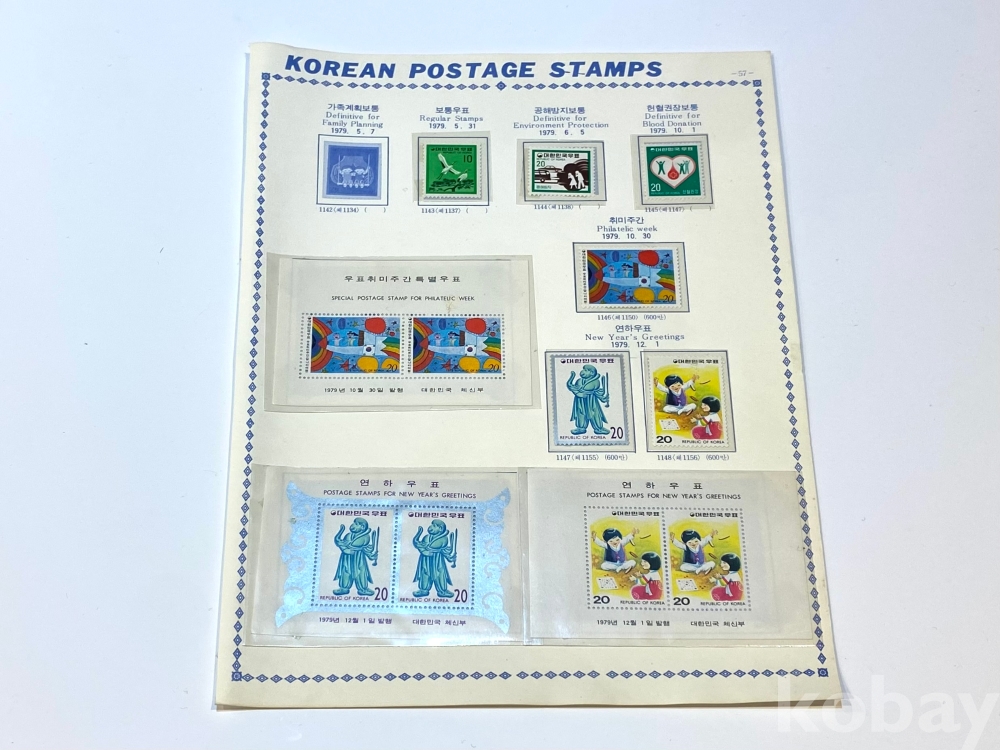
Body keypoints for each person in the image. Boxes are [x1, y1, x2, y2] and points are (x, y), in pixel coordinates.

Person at [332, 517, 379, 596]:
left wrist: (371, 556)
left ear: (362, 527)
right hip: (347, 558)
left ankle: (363, 589)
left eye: (356, 524)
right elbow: (342, 543)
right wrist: (345, 549)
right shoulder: (348, 535)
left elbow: (360, 546)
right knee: (345, 571)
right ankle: (344, 588)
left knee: (361, 572)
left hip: (359, 557)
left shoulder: (365, 537)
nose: (352, 525)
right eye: (353, 523)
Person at [411, 519, 457, 598]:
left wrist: (425, 548)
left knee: (440, 573)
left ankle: (442, 591)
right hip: (425, 559)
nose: (430, 527)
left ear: (440, 529)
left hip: (437, 559)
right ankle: (423, 590)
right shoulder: (426, 537)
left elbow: (435, 546)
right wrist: (424, 550)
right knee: (424, 572)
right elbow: (422, 545)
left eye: (434, 526)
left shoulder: (444, 538)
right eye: (431, 525)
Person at [565, 364, 611, 435]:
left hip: (591, 400)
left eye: (586, 370)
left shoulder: (596, 381)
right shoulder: (579, 380)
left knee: (594, 413)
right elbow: (574, 388)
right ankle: (581, 428)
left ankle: (598, 428)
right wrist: (579, 393)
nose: (582, 371)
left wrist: (603, 397)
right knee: (580, 413)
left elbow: (594, 389)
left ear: (591, 373)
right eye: (583, 369)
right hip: (580, 401)